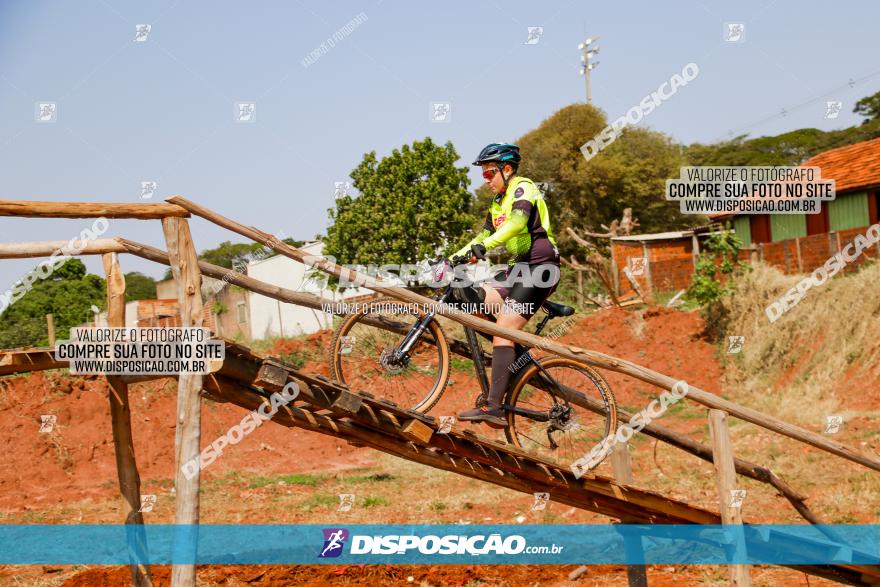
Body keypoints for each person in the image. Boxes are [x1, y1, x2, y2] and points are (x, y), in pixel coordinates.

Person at [451, 143, 560, 427]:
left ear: (507, 169)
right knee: (473, 302)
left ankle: (495, 409)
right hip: (517, 270)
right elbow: (481, 236)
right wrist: (450, 259)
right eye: (484, 175)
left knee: (502, 332)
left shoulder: (524, 188)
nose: (485, 179)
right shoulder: (496, 203)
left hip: (541, 267)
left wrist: (483, 248)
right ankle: (514, 358)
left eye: (489, 174)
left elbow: (515, 224)